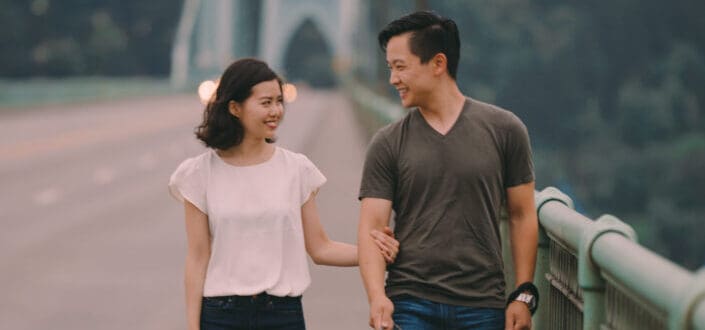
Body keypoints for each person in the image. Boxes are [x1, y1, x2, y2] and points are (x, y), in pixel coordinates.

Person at [168, 58, 400, 330]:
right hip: (221, 315)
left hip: (281, 315)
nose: (276, 111)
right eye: (266, 103)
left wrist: (375, 254)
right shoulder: (199, 173)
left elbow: (320, 247)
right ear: (235, 108)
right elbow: (197, 259)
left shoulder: (296, 169)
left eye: (279, 101)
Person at [357, 11, 539, 330]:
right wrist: (377, 297)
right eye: (390, 68)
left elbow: (523, 214)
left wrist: (523, 295)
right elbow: (372, 229)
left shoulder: (506, 130)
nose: (392, 79)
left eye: (400, 67)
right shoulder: (387, 142)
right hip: (410, 301)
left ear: (438, 64)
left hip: (484, 304)